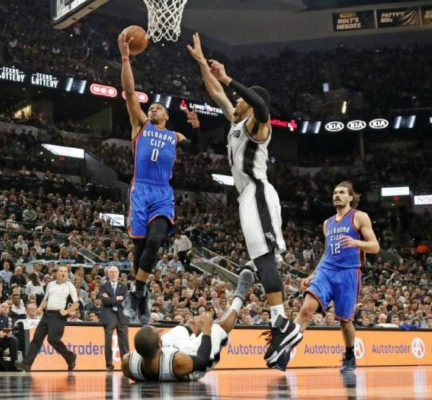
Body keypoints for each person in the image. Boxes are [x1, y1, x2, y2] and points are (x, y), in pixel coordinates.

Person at [187, 33, 301, 369]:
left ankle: (281, 323)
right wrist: (201, 63)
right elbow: (217, 93)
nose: (234, 100)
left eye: (240, 98)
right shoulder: (236, 123)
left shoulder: (258, 126)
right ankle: (280, 324)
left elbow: (264, 108)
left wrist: (229, 77)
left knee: (265, 259)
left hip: (259, 192)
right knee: (260, 261)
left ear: (249, 104)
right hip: (246, 198)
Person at [118, 30, 201, 324]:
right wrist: (126, 57)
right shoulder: (140, 125)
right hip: (140, 190)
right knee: (140, 249)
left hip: (162, 192)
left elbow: (197, 149)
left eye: (157, 107)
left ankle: (138, 290)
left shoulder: (175, 136)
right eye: (150, 106)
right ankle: (139, 294)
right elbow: (129, 92)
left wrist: (196, 127)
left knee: (155, 242)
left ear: (166, 116)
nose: (152, 108)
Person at [277, 181, 379, 373]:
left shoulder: (359, 217)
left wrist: (356, 242)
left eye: (341, 192)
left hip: (349, 272)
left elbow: (375, 246)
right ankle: (286, 351)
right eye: (334, 192)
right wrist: (313, 274)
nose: (337, 195)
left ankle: (349, 354)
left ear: (350, 197)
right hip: (326, 271)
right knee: (306, 310)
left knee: (344, 321)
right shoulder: (328, 223)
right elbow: (327, 252)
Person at [121, 269, 254, 381]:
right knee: (218, 327)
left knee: (190, 323)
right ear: (158, 345)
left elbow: (148, 350)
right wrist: (206, 331)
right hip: (193, 360)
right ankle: (240, 295)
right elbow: (202, 360)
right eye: (158, 333)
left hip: (164, 353)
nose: (159, 331)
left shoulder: (127, 362)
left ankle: (200, 326)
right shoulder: (178, 363)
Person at [17, 266, 79, 372]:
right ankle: (27, 364)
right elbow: (46, 299)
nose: (63, 273)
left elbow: (76, 303)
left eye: (65, 271)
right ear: (57, 273)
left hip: (59, 316)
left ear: (67, 274)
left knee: (53, 339)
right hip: (47, 315)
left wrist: (67, 311)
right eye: (61, 271)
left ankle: (70, 356)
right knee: (37, 338)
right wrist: (40, 308)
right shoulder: (50, 284)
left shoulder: (70, 286)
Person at [99, 265, 130, 372]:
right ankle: (109, 365)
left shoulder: (124, 286)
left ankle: (125, 364)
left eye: (115, 272)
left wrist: (110, 298)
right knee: (108, 342)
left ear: (118, 273)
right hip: (109, 317)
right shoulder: (104, 286)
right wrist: (117, 298)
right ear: (108, 274)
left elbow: (125, 300)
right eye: (111, 272)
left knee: (124, 342)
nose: (113, 274)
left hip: (121, 317)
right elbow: (104, 301)